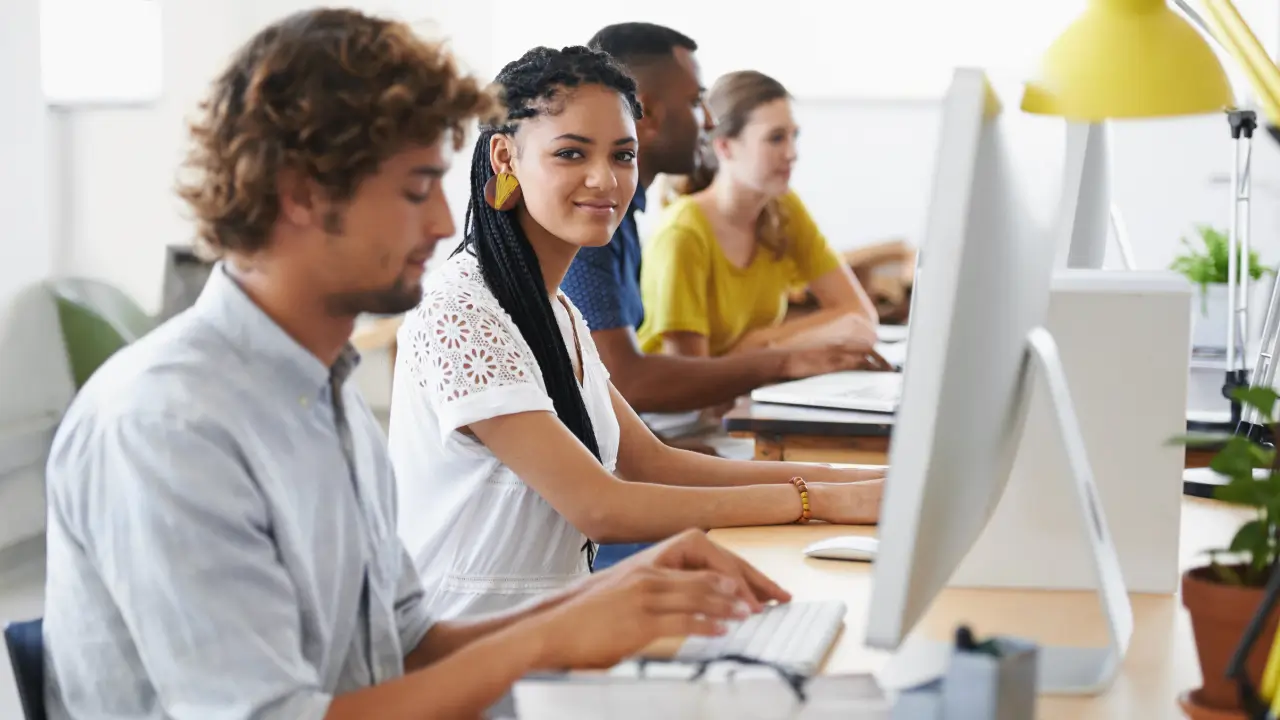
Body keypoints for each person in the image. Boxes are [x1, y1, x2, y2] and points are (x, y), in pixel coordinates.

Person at [41, 10, 792, 719]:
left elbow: (411, 645)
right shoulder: (169, 425)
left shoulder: (319, 395)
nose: (441, 223)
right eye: (414, 189)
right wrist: (557, 636)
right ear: (302, 193)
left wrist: (620, 596)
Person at [387, 44, 884, 622]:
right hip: (464, 654)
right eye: (571, 153)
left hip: (548, 635)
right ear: (505, 159)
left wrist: (863, 481)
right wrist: (818, 502)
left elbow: (653, 462)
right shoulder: (462, 311)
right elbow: (601, 506)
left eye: (623, 156)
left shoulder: (557, 310)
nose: (605, 180)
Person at [558, 23, 881, 414]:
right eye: (697, 101)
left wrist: (764, 347)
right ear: (648, 114)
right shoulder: (604, 221)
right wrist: (782, 358)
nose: (710, 122)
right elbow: (627, 382)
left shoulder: (620, 217)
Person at [637, 70, 880, 360]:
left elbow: (860, 316)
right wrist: (780, 346)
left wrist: (761, 343)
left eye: (794, 136)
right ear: (725, 146)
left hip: (749, 390)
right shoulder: (682, 234)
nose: (792, 153)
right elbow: (690, 376)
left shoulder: (783, 208)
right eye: (776, 138)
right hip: (683, 402)